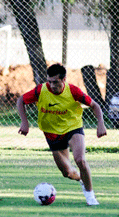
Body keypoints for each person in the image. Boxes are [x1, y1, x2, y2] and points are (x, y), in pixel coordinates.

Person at [17, 63, 107, 206]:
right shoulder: (41, 90)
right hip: (51, 133)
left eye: (56, 82)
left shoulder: (73, 91)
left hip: (73, 128)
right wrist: (24, 123)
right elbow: (21, 100)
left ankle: (90, 196)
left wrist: (100, 123)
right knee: (67, 172)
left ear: (63, 79)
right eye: (50, 81)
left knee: (80, 160)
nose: (52, 85)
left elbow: (95, 105)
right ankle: (81, 180)